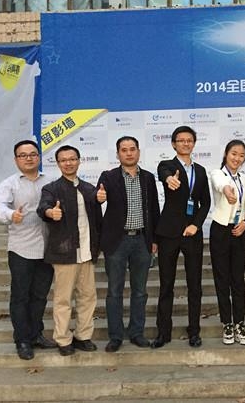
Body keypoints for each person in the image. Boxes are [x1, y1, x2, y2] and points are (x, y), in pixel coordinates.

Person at [37, 145, 104, 356]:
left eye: (72, 159)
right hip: (64, 253)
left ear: (79, 161)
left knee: (88, 297)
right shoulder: (51, 189)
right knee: (63, 299)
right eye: (63, 160)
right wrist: (50, 212)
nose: (68, 163)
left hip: (87, 252)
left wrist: (100, 199)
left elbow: (98, 217)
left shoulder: (88, 188)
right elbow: (43, 207)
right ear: (58, 164)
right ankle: (63, 338)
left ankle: (83, 336)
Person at [0, 140, 57, 360]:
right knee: (21, 296)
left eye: (33, 154)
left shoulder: (50, 181)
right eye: (23, 155)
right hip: (21, 248)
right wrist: (12, 215)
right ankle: (22, 340)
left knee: (40, 296)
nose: (28, 158)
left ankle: (36, 334)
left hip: (47, 248)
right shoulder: (9, 184)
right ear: (16, 160)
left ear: (39, 157)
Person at [97, 136, 160, 352]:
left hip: (142, 240)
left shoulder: (148, 178)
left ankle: (136, 333)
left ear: (138, 152)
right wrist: (99, 197)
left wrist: (154, 240)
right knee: (114, 291)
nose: (129, 153)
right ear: (118, 154)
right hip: (117, 241)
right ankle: (115, 336)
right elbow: (98, 196)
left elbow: (154, 209)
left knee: (140, 291)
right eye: (124, 150)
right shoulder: (108, 176)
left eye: (132, 149)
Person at [152, 126, 211, 349]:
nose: (186, 143)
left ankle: (194, 331)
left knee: (194, 285)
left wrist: (196, 225)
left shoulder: (201, 171)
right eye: (181, 140)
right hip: (168, 233)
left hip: (192, 234)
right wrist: (170, 179)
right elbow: (164, 173)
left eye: (189, 140)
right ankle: (163, 332)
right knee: (166, 284)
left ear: (194, 143)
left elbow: (206, 203)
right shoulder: (167, 165)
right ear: (173, 144)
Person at [210, 140, 245, 345]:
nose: (237, 158)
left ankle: (239, 324)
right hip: (220, 230)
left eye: (241, 155)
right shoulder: (217, 173)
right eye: (234, 154)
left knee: (238, 279)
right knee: (222, 278)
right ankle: (227, 323)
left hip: (239, 231)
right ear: (226, 154)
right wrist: (228, 192)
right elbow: (222, 185)